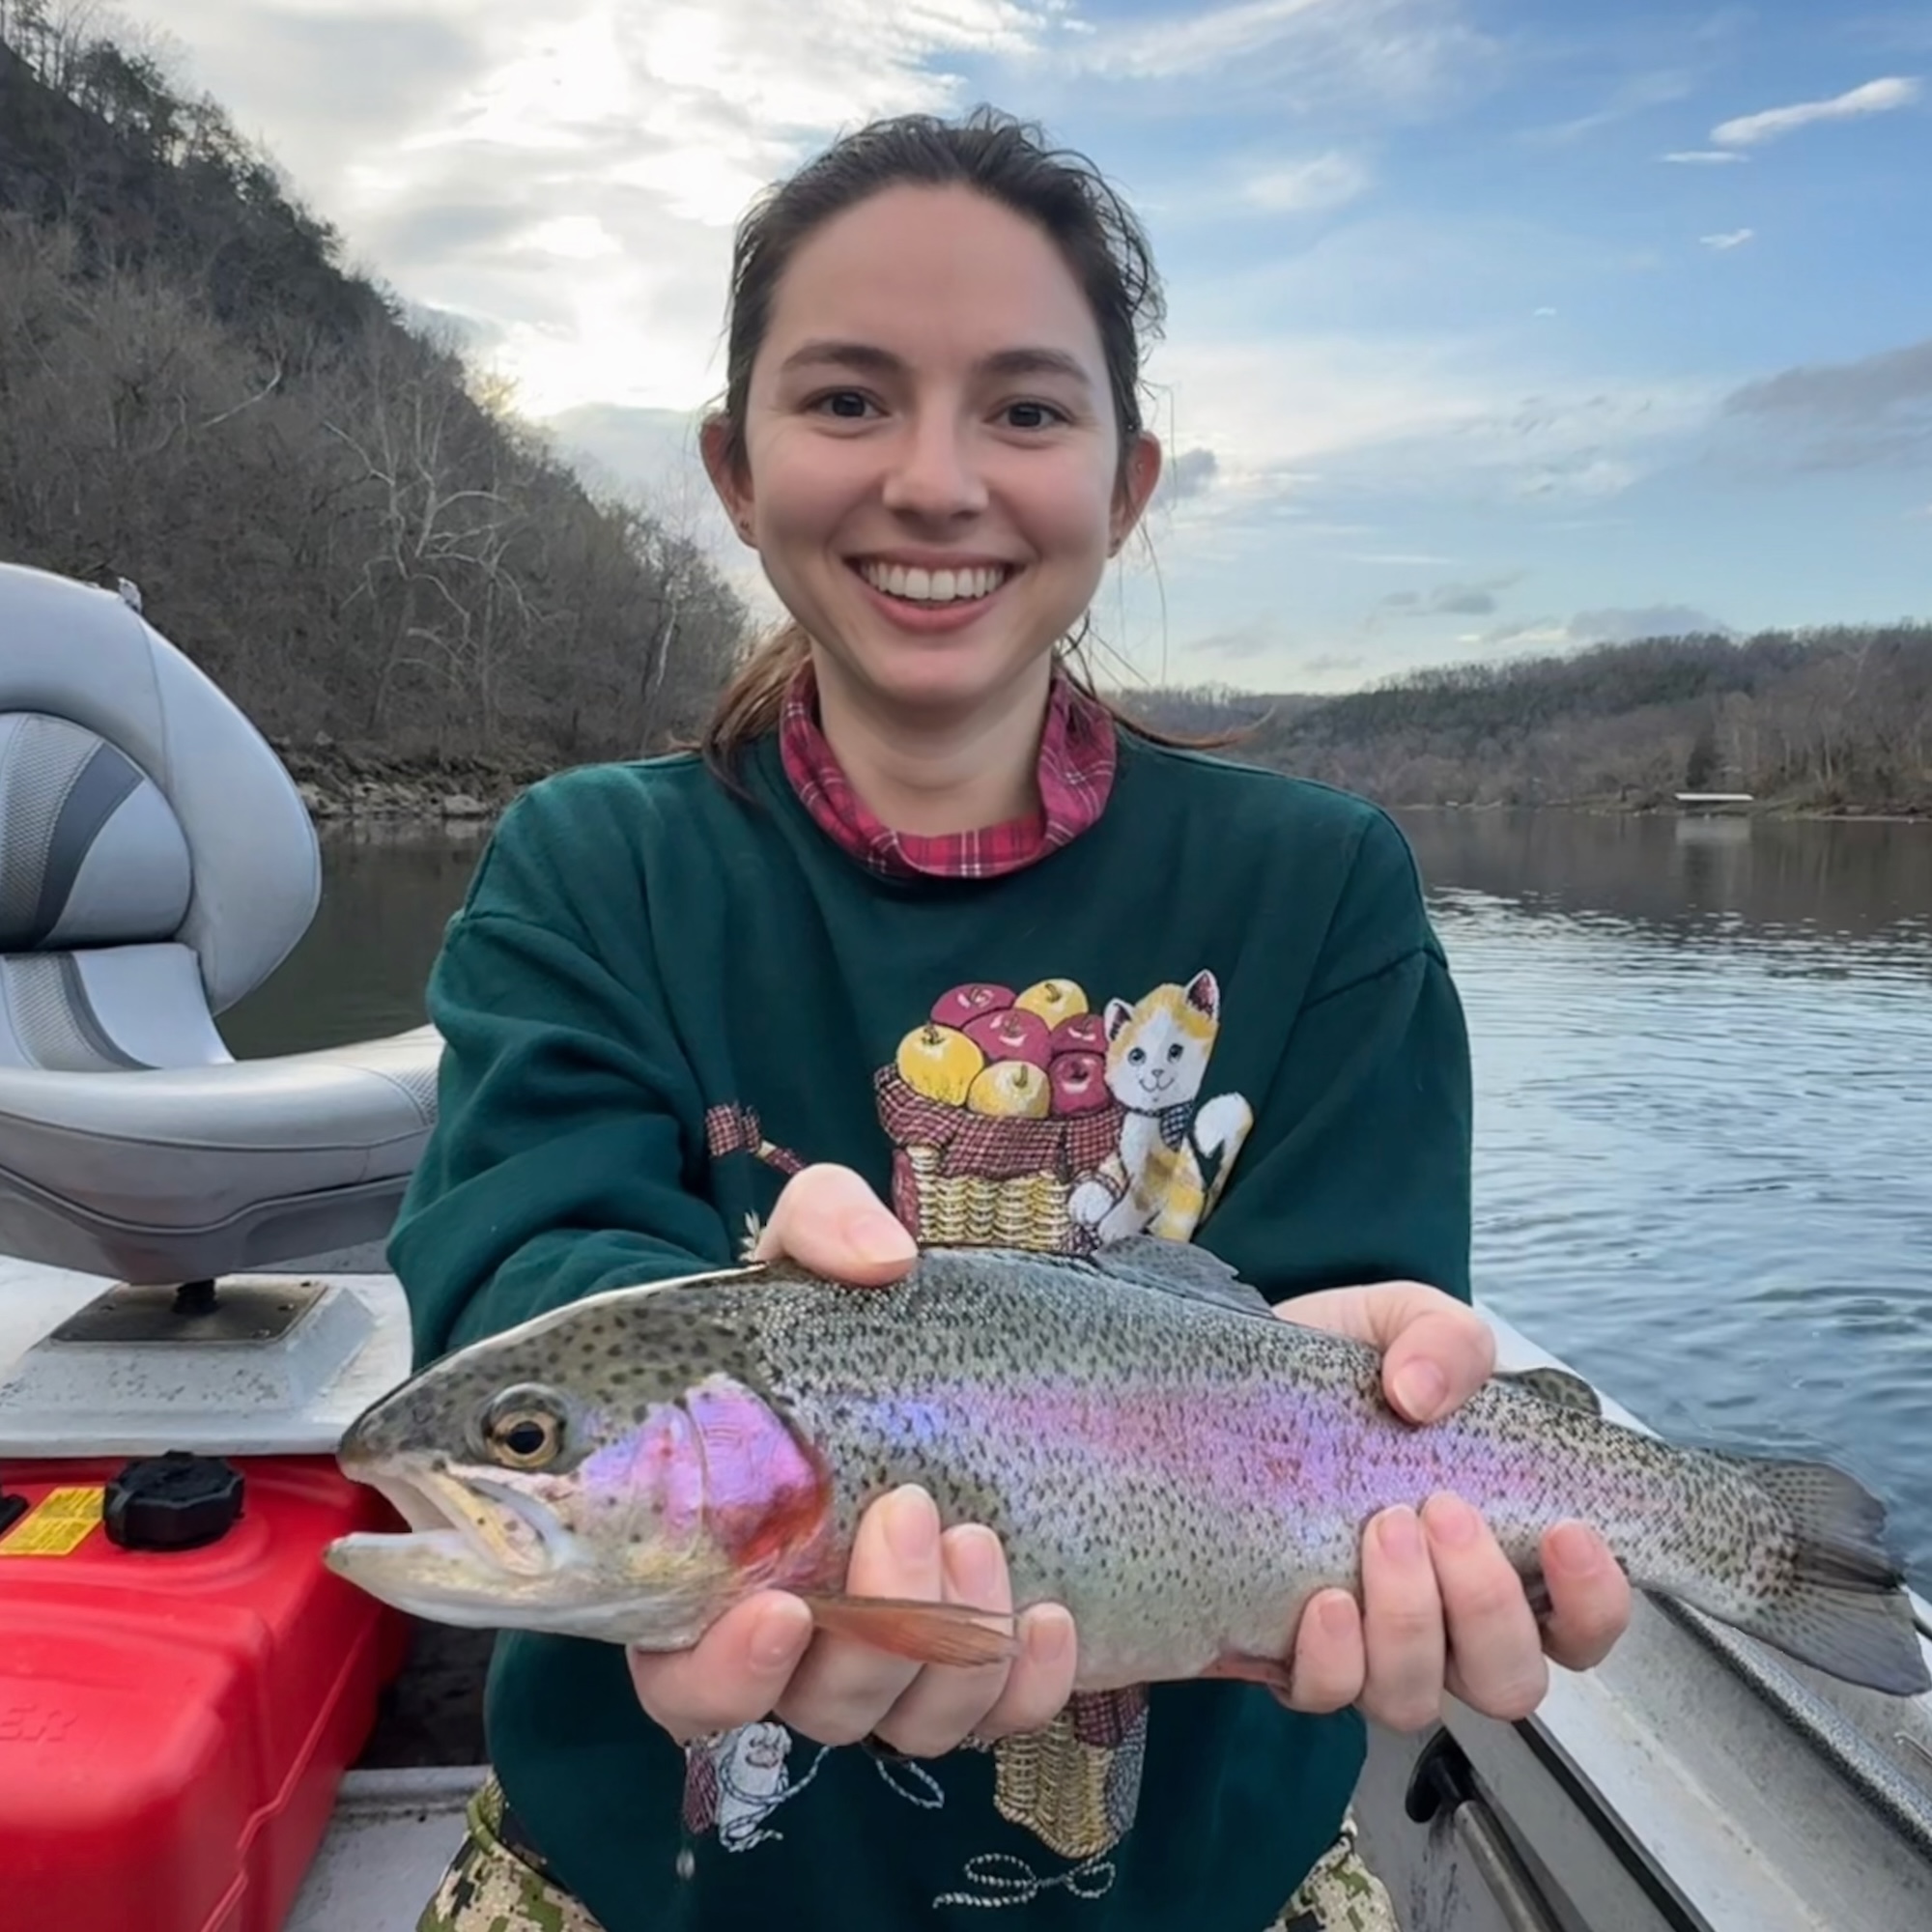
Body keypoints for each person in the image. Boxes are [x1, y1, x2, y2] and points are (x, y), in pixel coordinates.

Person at [390, 106, 1634, 1932]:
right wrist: (728, 1303)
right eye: (849, 399)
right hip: (644, 1884)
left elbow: (1370, 1361)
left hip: (1205, 1885)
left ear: (1129, 486)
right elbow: (519, 1275)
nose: (935, 482)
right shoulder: (589, 867)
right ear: (734, 471)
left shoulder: (1324, 890)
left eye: (1027, 412)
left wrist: (1425, 1446)